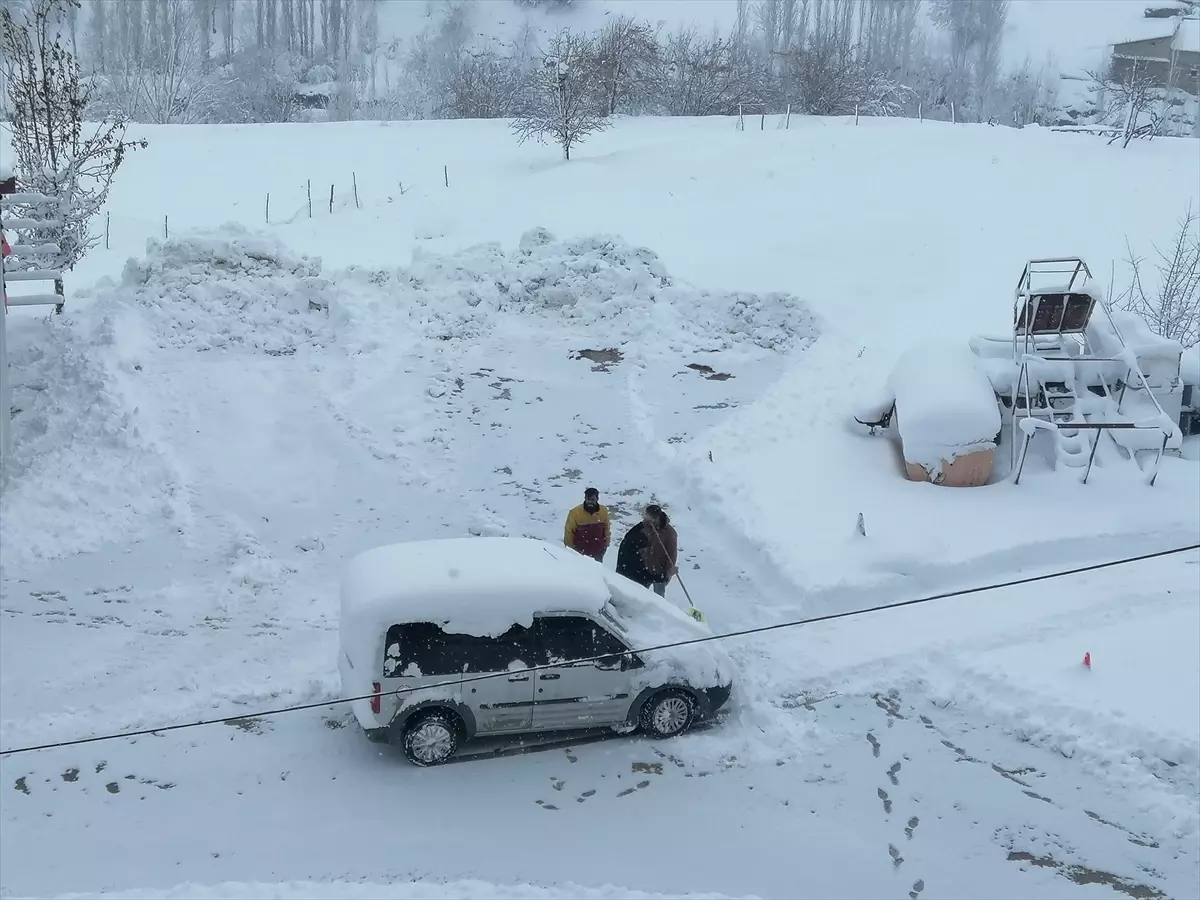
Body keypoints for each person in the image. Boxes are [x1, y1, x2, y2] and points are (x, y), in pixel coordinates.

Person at [616, 504, 678, 596]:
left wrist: (667, 573)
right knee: (642, 593)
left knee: (659, 596)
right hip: (644, 568)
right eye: (646, 516)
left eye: (651, 517)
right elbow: (628, 546)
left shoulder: (670, 533)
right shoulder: (641, 528)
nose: (646, 520)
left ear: (657, 517)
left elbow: (672, 554)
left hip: (660, 569)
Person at [563, 487, 610, 562]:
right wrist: (571, 551)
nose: (590, 502)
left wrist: (605, 546)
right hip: (579, 554)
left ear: (597, 499)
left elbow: (607, 529)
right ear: (585, 498)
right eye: (588, 499)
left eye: (592, 500)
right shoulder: (575, 513)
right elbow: (569, 533)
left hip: (598, 553)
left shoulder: (603, 511)